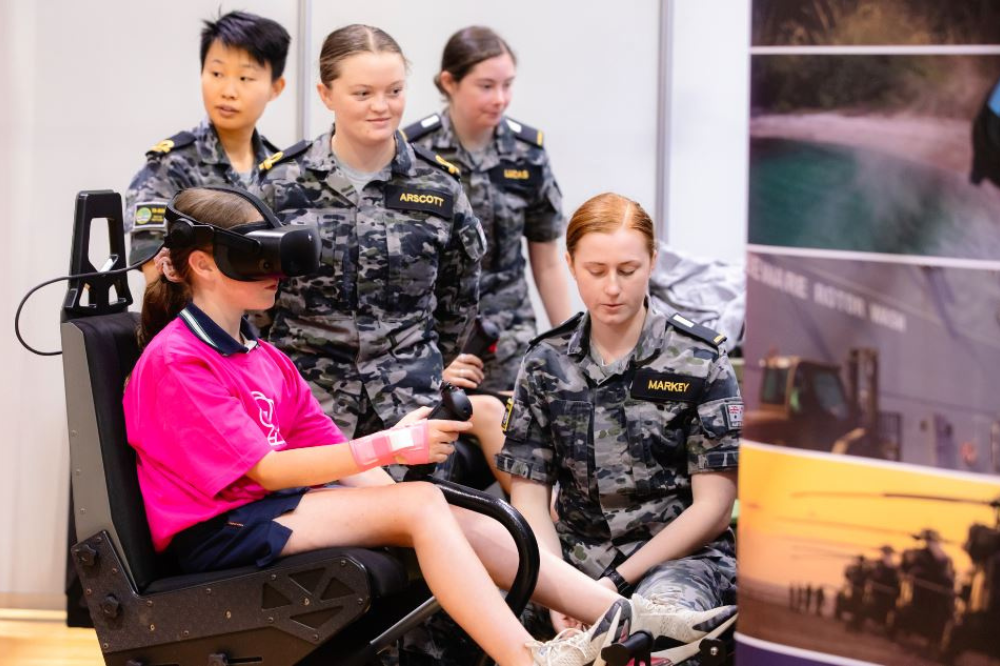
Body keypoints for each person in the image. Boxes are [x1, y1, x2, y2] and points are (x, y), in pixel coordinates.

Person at [123, 186, 702, 666]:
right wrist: (394, 447)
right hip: (218, 530)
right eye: (257, 259)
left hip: (265, 513)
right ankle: (529, 660)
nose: (275, 273)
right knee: (421, 505)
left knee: (438, 506)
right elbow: (270, 470)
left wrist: (412, 500)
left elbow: (327, 448)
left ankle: (623, 617)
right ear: (201, 264)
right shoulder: (179, 359)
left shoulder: (261, 354)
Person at [257, 24, 505, 484]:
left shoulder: (439, 187)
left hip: (410, 405)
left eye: (394, 91)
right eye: (363, 92)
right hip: (310, 408)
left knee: (418, 536)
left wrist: (419, 363)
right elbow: (255, 303)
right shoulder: (279, 184)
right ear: (326, 94)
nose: (381, 106)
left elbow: (458, 303)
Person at [497, 193, 740, 660]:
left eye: (628, 270)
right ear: (569, 264)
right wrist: (557, 590)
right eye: (596, 270)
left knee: (656, 640)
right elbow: (529, 493)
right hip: (570, 559)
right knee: (463, 622)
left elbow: (712, 508)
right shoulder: (544, 360)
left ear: (652, 262)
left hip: (676, 560)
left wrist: (611, 587)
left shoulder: (700, 359)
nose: (612, 288)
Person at [403, 26, 570, 394]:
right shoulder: (415, 153)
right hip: (433, 333)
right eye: (486, 86)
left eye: (507, 85)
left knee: (514, 437)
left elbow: (548, 261)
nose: (500, 98)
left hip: (509, 334)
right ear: (449, 82)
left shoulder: (527, 154)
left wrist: (573, 347)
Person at [125, 10, 289, 283]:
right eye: (216, 73)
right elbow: (156, 273)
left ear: (276, 88)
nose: (228, 90)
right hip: (197, 323)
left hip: (269, 324)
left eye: (245, 78)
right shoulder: (169, 166)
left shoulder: (283, 169)